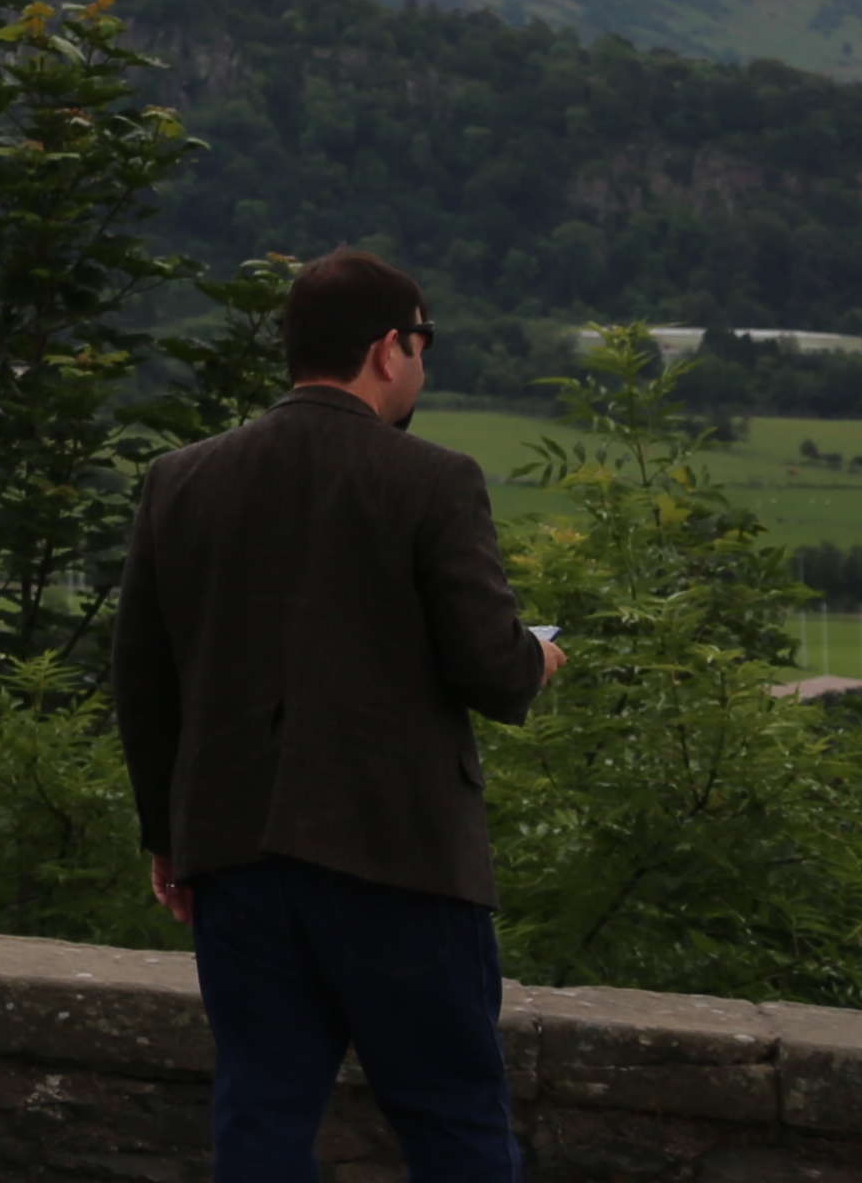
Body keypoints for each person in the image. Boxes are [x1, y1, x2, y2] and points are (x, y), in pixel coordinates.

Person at [114, 249, 560, 1183]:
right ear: (389, 348)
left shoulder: (179, 480)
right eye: (422, 344)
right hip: (398, 856)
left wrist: (171, 841)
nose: (423, 366)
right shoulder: (434, 480)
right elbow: (493, 672)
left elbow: (145, 686)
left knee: (262, 1117)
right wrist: (540, 657)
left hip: (232, 856)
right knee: (453, 1121)